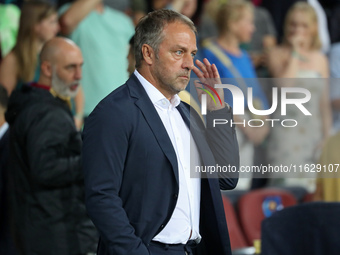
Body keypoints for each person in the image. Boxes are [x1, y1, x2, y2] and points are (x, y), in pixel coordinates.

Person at [82, 9, 239, 255]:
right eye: (179, 52)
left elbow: (227, 178)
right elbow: (101, 198)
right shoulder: (113, 113)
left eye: (193, 54)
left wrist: (218, 108)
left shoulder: (187, 113)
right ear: (148, 53)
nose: (189, 63)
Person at [5, 37, 97, 255]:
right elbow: (45, 168)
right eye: (70, 67)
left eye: (80, 66)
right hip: (55, 235)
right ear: (47, 68)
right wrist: (92, 158)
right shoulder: (46, 113)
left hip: (44, 230)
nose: (79, 75)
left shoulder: (37, 105)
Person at [201, 0, 269, 189]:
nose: (253, 28)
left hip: (248, 130)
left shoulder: (244, 56)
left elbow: (256, 93)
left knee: (243, 185)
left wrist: (263, 123)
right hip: (229, 127)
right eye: (249, 22)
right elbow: (214, 96)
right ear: (233, 24)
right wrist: (248, 128)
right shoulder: (210, 53)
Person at [266, 2, 331, 191]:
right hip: (285, 133)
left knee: (313, 191)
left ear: (313, 28)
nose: (298, 30)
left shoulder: (320, 59)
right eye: (294, 24)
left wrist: (327, 137)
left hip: (313, 134)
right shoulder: (277, 54)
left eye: (304, 25)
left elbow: (324, 103)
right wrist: (294, 52)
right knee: (285, 189)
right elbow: (286, 85)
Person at [59, 0, 135, 118]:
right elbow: (67, 21)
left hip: (124, 109)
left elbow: (135, 63)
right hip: (87, 111)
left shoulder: (123, 21)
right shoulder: (69, 12)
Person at [0, 0, 59, 94]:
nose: (57, 28)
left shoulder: (56, 54)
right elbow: (3, 102)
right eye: (52, 22)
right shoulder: (13, 60)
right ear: (35, 25)